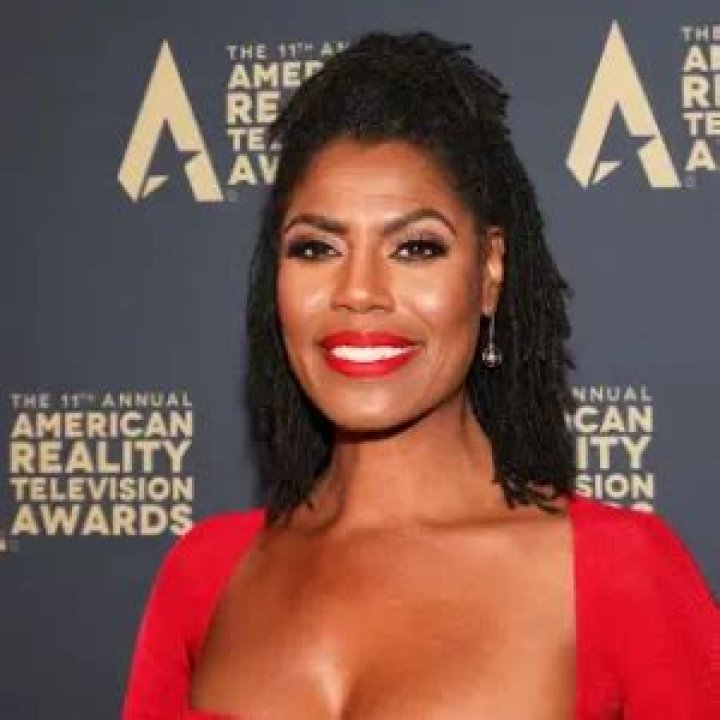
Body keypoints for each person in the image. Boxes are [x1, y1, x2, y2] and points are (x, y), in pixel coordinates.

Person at [121, 30, 718, 719]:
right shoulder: (203, 574)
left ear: (489, 271)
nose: (359, 292)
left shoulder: (621, 573)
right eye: (316, 248)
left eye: (415, 248)